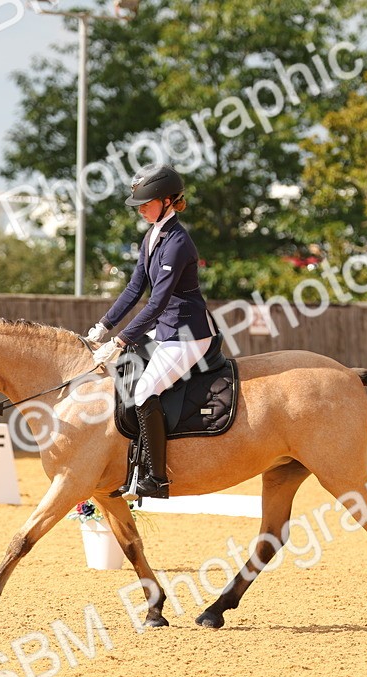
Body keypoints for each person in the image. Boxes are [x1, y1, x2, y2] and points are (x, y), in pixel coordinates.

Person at [87, 164, 216, 500]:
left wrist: (121, 339)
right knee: (123, 377)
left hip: (188, 334)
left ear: (169, 201)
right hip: (165, 331)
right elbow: (134, 289)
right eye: (139, 204)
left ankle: (156, 479)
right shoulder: (152, 237)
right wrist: (102, 327)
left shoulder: (178, 242)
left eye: (147, 202)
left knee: (144, 391)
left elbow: (157, 302)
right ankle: (128, 466)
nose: (141, 208)